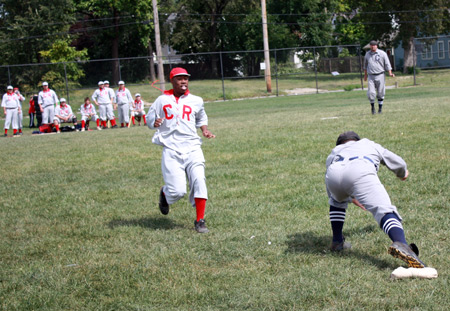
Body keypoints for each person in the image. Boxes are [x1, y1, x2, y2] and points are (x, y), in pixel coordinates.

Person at [325, 131, 426, 268]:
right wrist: (402, 173)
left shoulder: (335, 152)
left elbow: (331, 184)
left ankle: (337, 241)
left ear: (340, 144)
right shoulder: (367, 143)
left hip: (334, 176)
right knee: (383, 209)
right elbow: (396, 161)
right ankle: (401, 242)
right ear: (356, 140)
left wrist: (346, 196)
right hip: (359, 169)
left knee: (336, 202)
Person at [146, 67, 216, 233]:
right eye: (179, 78)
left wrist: (204, 130)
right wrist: (154, 122)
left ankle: (200, 220)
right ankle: (165, 195)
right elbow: (149, 118)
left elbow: (201, 117)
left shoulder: (196, 100)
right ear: (172, 81)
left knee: (199, 180)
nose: (183, 81)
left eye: (185, 78)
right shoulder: (162, 100)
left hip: (192, 147)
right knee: (177, 192)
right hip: (171, 149)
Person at [364, 40, 395, 114]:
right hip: (371, 76)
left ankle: (380, 109)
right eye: (371, 45)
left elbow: (387, 64)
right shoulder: (367, 54)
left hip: (380, 74)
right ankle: (372, 108)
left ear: (376, 46)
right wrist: (365, 75)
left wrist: (390, 73)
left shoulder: (382, 53)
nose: (372, 46)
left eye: (374, 45)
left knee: (380, 92)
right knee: (371, 93)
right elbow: (365, 66)